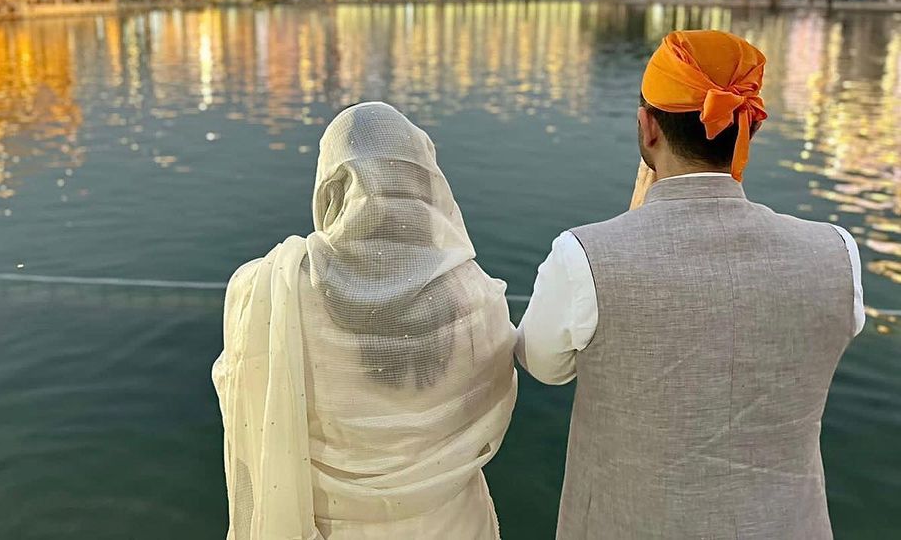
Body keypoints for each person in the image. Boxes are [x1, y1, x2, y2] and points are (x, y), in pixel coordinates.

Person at [516, 30, 864, 539]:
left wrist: (627, 230)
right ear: (748, 128)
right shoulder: (838, 252)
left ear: (647, 127)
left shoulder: (585, 256)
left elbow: (542, 364)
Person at [213, 102, 517, 539]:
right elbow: (490, 408)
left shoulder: (267, 289)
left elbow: (246, 421)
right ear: (425, 186)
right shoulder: (477, 298)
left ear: (331, 187)